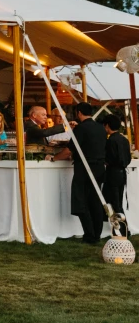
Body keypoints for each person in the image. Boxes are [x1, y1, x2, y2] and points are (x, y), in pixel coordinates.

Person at [55, 101, 107, 244]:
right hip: (99, 168)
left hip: (85, 169)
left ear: (78, 113)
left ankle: (89, 235)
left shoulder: (81, 128)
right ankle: (97, 234)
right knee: (95, 201)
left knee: (81, 200)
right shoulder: (100, 128)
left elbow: (68, 150)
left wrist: (54, 158)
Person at [103, 114, 130, 219]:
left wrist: (105, 161)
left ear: (107, 126)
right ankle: (122, 228)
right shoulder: (124, 140)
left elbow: (110, 159)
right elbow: (128, 158)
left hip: (113, 173)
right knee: (119, 200)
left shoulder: (110, 141)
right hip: (123, 173)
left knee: (115, 202)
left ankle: (123, 229)